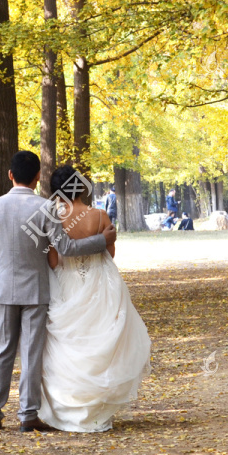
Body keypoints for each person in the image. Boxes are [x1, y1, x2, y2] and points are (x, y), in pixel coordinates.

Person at [0, 151, 117, 432]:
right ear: (36, 178)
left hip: (4, 287)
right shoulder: (46, 208)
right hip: (35, 289)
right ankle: (27, 415)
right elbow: (65, 248)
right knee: (32, 353)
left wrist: (7, 270)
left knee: (2, 352)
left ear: (10, 175)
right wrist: (101, 241)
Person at [40, 166, 152, 432]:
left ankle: (71, 409)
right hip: (100, 283)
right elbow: (110, 254)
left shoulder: (54, 219)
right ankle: (98, 409)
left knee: (70, 343)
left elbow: (54, 260)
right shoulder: (100, 215)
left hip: (67, 283)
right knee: (102, 339)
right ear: (80, 188)